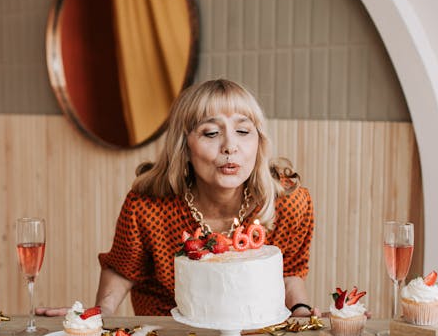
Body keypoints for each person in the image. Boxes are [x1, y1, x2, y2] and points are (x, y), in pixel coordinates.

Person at [39, 79, 317, 317]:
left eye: (243, 131)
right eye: (211, 133)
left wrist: (303, 313)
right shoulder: (147, 205)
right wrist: (98, 316)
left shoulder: (288, 202)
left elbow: (289, 272)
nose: (230, 146)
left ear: (259, 142)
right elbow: (123, 269)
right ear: (184, 147)